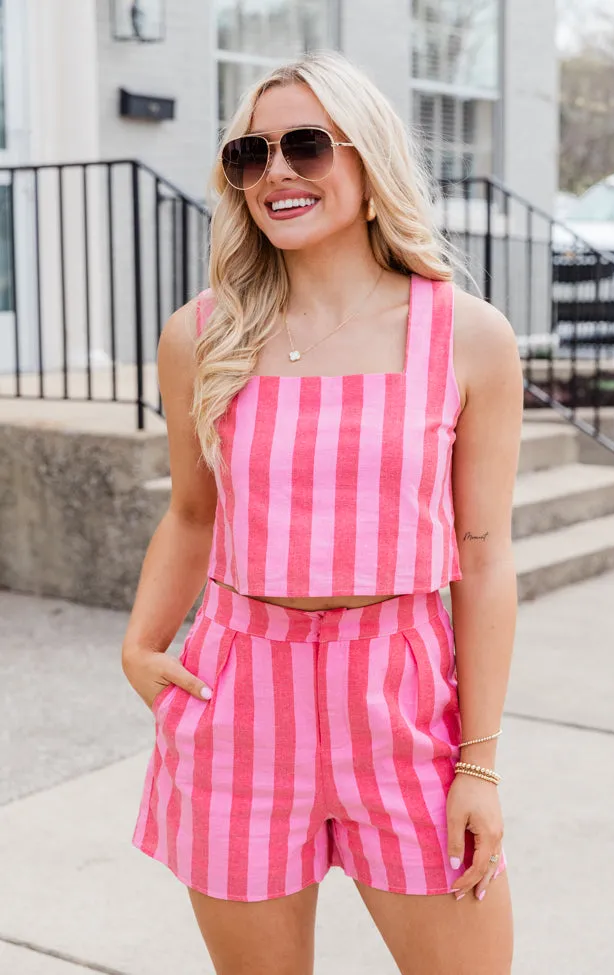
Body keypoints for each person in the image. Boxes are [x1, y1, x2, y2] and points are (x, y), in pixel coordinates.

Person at [123, 50, 522, 975]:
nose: (277, 173)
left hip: (405, 702)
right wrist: (141, 643)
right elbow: (192, 514)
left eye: (306, 145)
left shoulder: (467, 336)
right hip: (239, 698)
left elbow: (488, 557)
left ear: (369, 160)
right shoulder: (202, 335)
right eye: (249, 155)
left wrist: (480, 761)